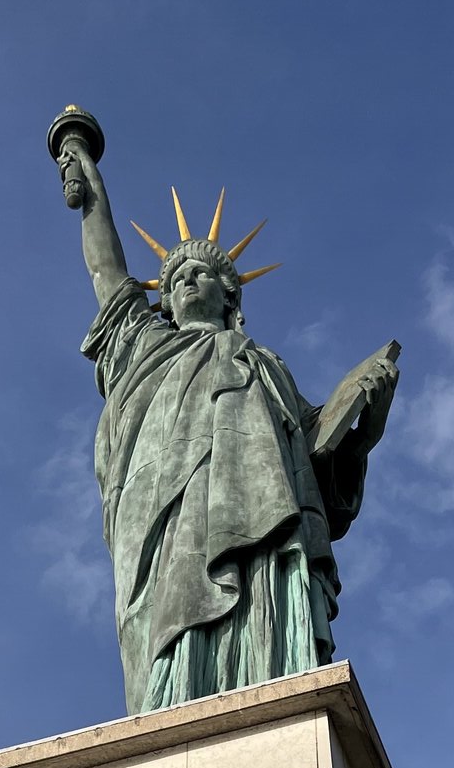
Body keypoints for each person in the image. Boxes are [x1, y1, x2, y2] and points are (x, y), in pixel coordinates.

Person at [60, 139, 399, 716]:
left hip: (262, 530)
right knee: (170, 617)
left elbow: (318, 469)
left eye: (202, 273)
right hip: (166, 517)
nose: (187, 281)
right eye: (176, 278)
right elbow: (105, 269)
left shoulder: (265, 366)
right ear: (165, 302)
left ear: (230, 293)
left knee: (263, 621)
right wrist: (85, 170)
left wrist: (366, 428)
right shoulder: (142, 345)